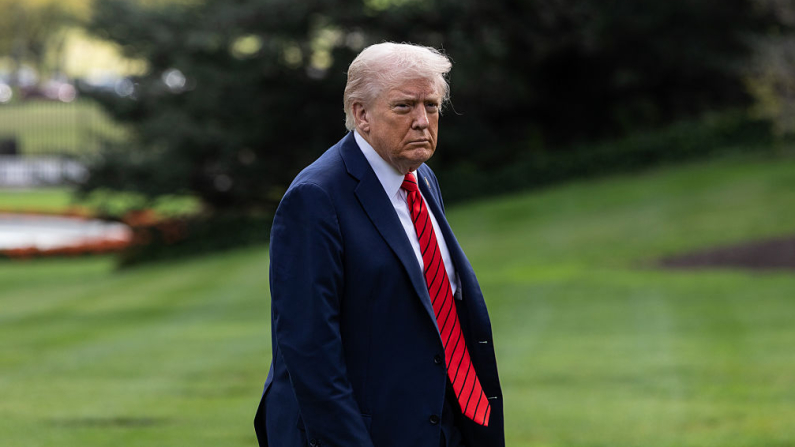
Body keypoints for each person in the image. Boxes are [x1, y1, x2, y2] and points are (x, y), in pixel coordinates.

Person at [254, 42, 504, 447]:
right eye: (404, 106)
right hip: (364, 433)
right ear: (361, 114)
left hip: (440, 423)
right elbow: (310, 350)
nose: (422, 121)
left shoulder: (420, 178)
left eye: (431, 105)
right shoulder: (315, 197)